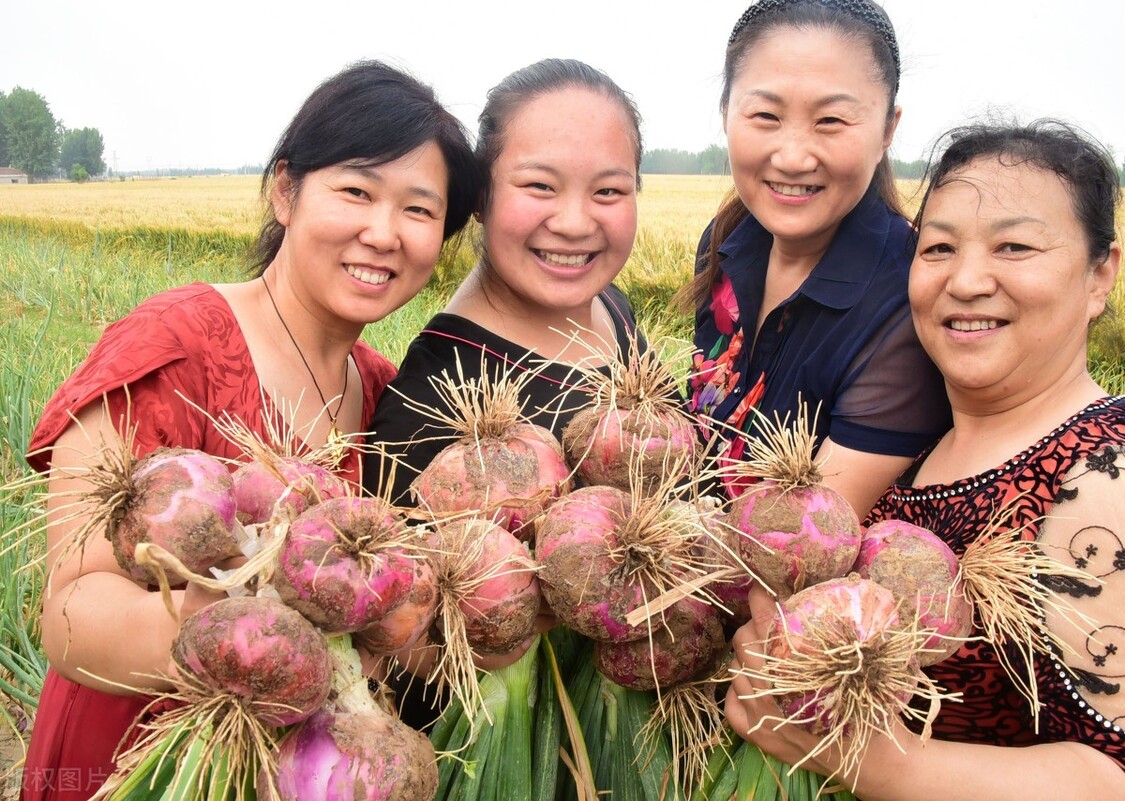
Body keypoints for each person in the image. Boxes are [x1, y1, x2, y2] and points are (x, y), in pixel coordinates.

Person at [20, 61, 482, 801]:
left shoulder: (390, 396)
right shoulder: (169, 346)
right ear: (285, 190)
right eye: (356, 191)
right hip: (132, 767)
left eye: (420, 211)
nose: (383, 232)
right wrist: (259, 631)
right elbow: (70, 614)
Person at [725, 120, 1125, 800]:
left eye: (1014, 246)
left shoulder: (1114, 484)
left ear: (1101, 275)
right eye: (939, 247)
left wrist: (878, 761)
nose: (968, 279)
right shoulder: (928, 438)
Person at [362, 57, 645, 728]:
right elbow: (408, 647)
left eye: (609, 191)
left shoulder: (612, 309)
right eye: (540, 186)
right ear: (482, 196)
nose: (575, 223)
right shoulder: (434, 399)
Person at [682, 0, 950, 517]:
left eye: (831, 120)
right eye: (765, 115)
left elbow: (812, 539)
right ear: (725, 114)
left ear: (887, 129)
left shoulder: (908, 299)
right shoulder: (726, 239)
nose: (794, 156)